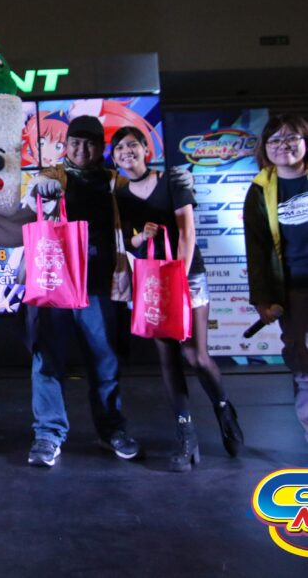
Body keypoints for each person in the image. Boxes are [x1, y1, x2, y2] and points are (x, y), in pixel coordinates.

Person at [111, 126, 243, 471]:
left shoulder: (173, 180)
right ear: (115, 157)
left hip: (187, 277)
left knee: (195, 355)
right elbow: (128, 243)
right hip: (151, 280)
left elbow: (187, 232)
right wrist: (141, 238)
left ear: (146, 149)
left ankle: (224, 408)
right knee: (168, 357)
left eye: (132, 145)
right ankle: (186, 436)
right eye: (119, 147)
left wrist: (178, 281)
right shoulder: (120, 195)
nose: (126, 151)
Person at [24, 115, 141, 467]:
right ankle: (48, 434)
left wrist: (176, 183)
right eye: (75, 142)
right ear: (66, 145)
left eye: (89, 143)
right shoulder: (53, 175)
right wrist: (41, 188)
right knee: (47, 360)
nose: (81, 149)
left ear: (101, 147)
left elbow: (148, 190)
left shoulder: (115, 181)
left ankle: (111, 430)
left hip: (101, 285)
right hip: (55, 285)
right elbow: (32, 193)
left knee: (105, 363)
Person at [244, 114, 308, 446]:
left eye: (291, 138)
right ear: (265, 148)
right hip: (292, 288)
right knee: (301, 359)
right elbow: (256, 249)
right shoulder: (259, 190)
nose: (283, 146)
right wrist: (262, 299)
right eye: (275, 140)